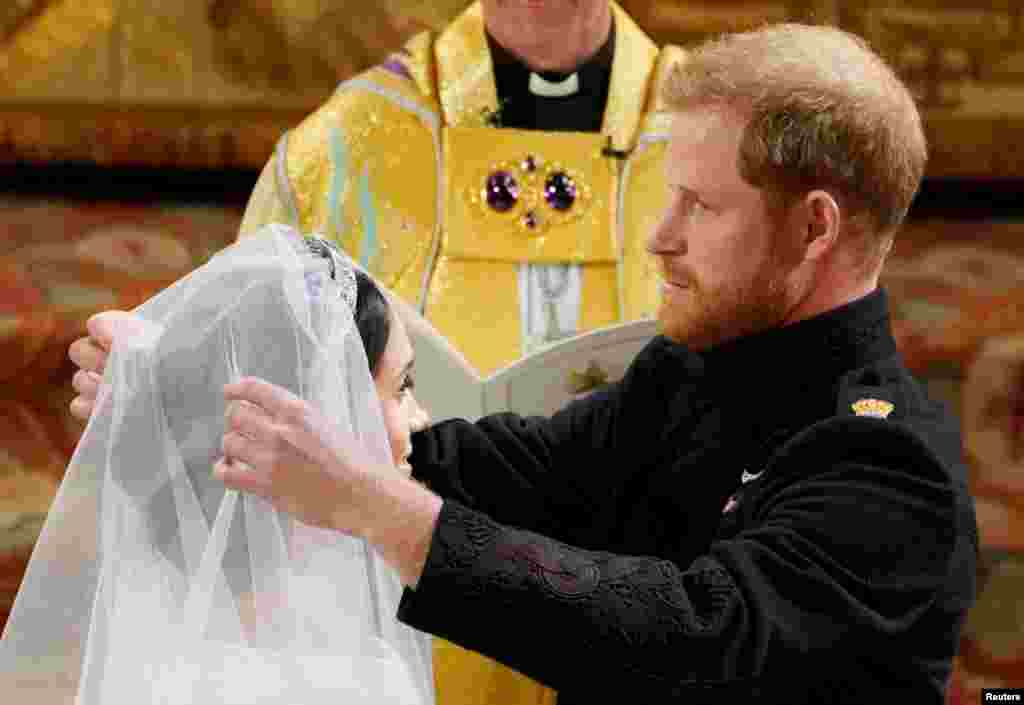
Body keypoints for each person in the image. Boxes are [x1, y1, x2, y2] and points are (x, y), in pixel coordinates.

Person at [69, 21, 980, 705]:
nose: (659, 241)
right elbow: (500, 470)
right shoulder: (688, 378)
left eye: (699, 207)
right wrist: (184, 392)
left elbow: (690, 633)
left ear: (815, 227)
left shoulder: (889, 468)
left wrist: (380, 509)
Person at [70, 3, 680, 703]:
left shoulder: (714, 136)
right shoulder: (340, 149)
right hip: (385, 630)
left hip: (644, 622)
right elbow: (243, 389)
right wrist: (166, 378)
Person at [5, 229, 434, 704]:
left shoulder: (148, 656)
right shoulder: (357, 681)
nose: (421, 417)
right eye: (402, 387)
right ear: (331, 410)